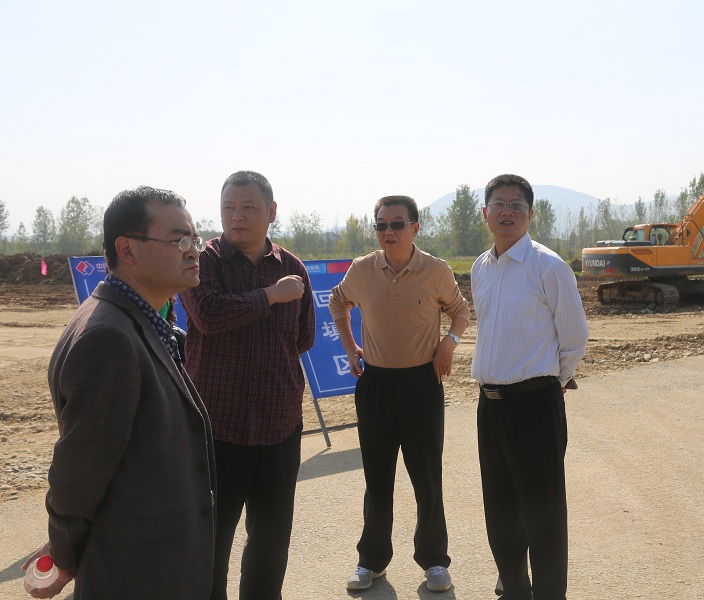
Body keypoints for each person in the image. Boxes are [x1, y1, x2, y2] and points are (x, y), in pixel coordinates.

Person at [22, 186, 216, 599]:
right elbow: (80, 469)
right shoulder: (108, 337)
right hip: (137, 573)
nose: (193, 252)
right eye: (179, 240)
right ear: (127, 249)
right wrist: (63, 550)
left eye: (195, 240)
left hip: (162, 565)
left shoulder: (139, 319)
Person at [179, 171, 316, 600]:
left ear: (271, 212)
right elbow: (208, 316)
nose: (236, 216)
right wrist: (270, 296)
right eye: (229, 208)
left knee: (270, 543)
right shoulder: (202, 260)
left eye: (248, 207)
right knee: (211, 543)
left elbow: (304, 338)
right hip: (217, 429)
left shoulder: (292, 268)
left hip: (279, 427)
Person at [328, 195, 470, 593]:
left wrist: (449, 343)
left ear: (415, 227)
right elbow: (338, 302)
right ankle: (371, 562)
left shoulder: (436, 270)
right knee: (377, 478)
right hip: (375, 384)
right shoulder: (362, 269)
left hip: (421, 384)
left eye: (396, 224)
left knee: (427, 478)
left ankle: (434, 561)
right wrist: (349, 347)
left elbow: (460, 310)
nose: (388, 232)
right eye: (381, 225)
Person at [471, 174, 589, 600]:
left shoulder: (548, 267)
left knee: (543, 514)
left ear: (530, 214)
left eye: (517, 205)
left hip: (535, 405)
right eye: (499, 204)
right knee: (500, 508)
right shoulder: (481, 268)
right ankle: (516, 589)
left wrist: (549, 383)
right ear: (485, 213)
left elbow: (574, 339)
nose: (507, 212)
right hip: (490, 404)